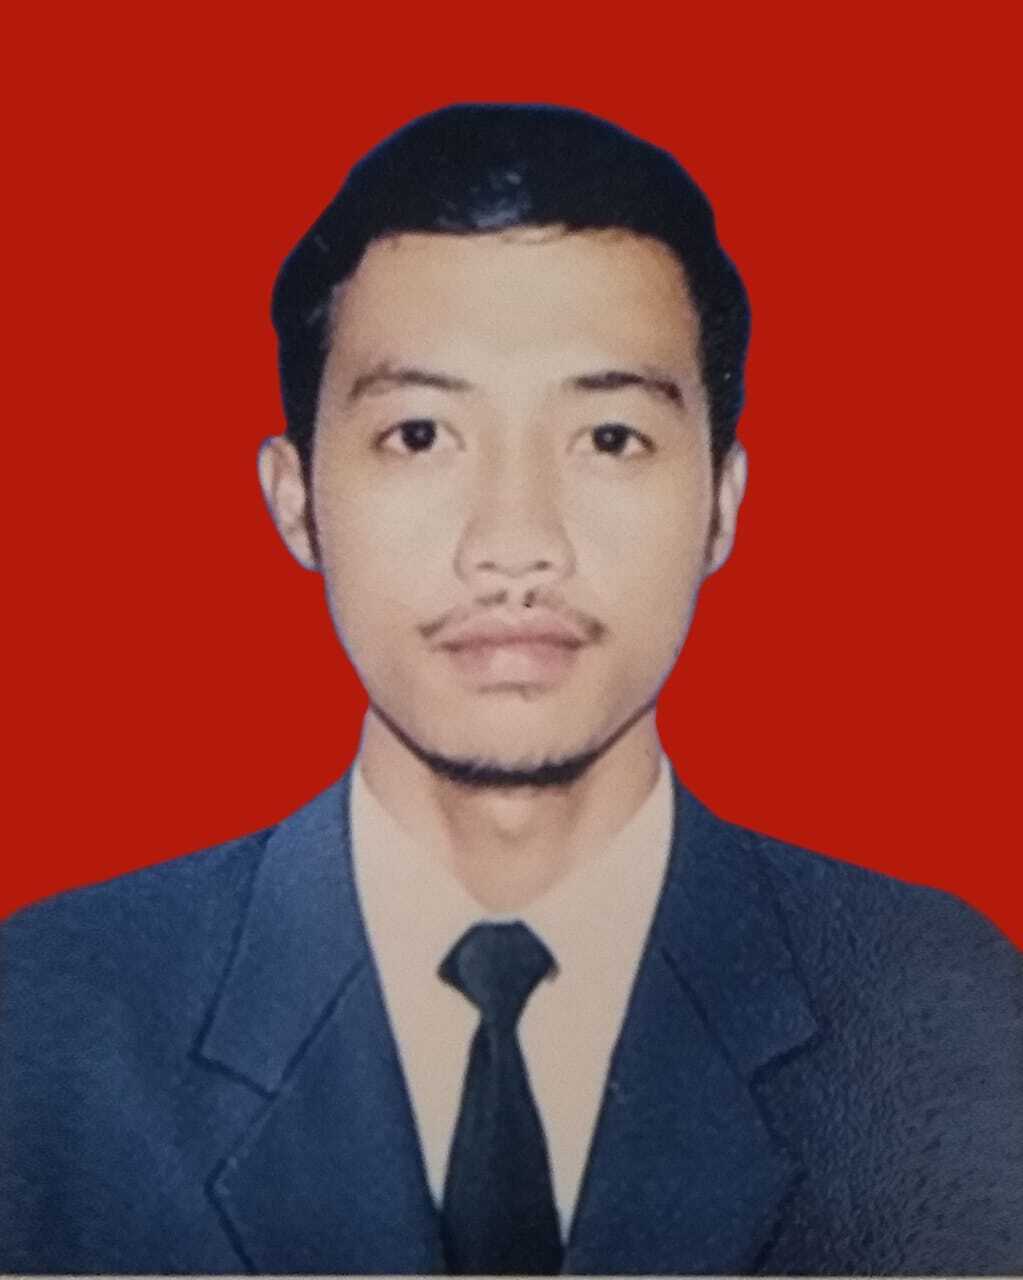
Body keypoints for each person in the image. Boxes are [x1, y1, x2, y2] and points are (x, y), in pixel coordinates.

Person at [2, 103, 1021, 1276]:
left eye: (610, 438)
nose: (516, 543)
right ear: (295, 501)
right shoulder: (46, 1024)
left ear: (723, 503)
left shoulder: (940, 1013)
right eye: (420, 434)